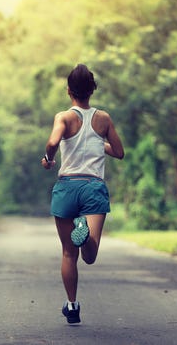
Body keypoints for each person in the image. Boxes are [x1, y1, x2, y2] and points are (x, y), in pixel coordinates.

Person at [41, 64, 124, 324]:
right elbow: (119, 152)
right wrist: (100, 143)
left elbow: (53, 142)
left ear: (69, 91)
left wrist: (48, 158)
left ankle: (72, 306)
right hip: (92, 187)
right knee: (89, 256)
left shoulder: (63, 117)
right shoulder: (104, 119)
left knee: (68, 253)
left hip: (67, 187)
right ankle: (85, 236)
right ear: (93, 89)